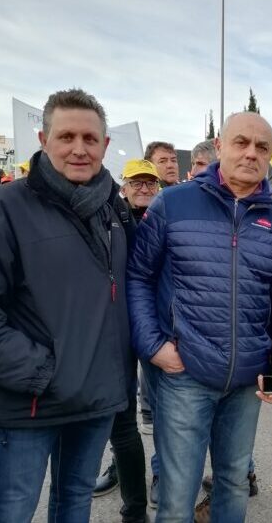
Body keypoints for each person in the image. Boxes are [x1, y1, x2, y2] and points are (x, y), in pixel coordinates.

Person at [0, 88, 136, 523]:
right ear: (44, 141)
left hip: (95, 399)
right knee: (9, 512)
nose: (79, 149)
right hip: (30, 402)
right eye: (66, 137)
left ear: (105, 145)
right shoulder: (0, 210)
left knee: (73, 507)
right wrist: (45, 373)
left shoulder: (112, 211)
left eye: (90, 138)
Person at [128, 111, 272, 522]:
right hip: (184, 375)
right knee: (177, 494)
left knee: (233, 482)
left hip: (246, 380)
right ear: (219, 145)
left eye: (262, 147)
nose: (251, 153)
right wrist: (153, 346)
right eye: (241, 142)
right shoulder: (173, 203)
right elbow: (139, 277)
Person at [93, 158, 160, 522]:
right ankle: (125, 481)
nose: (145, 188)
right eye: (138, 182)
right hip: (117, 331)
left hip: (154, 331)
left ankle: (159, 477)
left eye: (150, 183)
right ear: (125, 186)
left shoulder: (164, 217)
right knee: (120, 414)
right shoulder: (110, 217)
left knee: (163, 410)